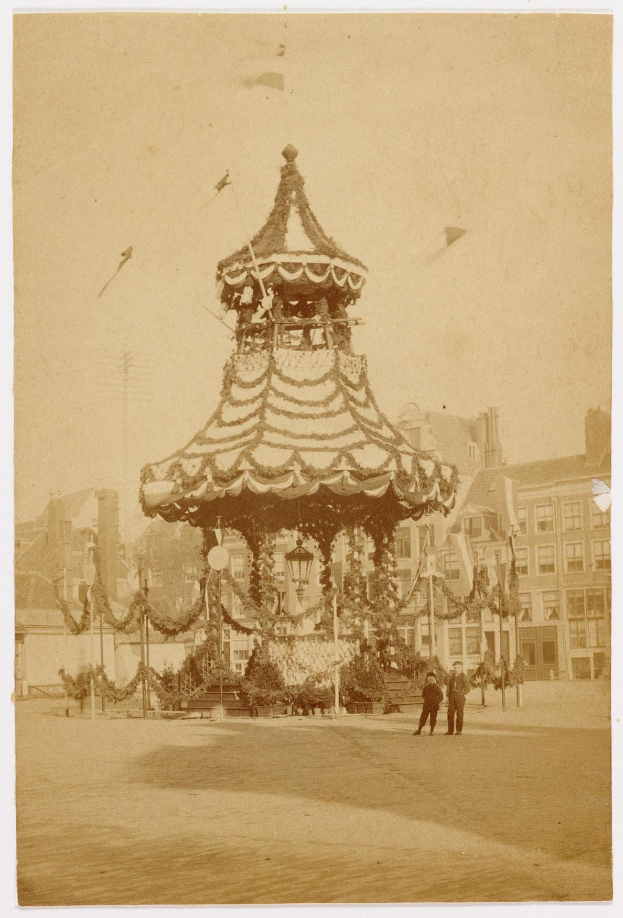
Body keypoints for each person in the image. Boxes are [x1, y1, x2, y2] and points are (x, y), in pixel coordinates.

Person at [446, 660, 471, 735]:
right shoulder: (452, 676)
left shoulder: (464, 676)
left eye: (457, 668)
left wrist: (462, 693)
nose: (455, 669)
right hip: (452, 696)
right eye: (454, 668)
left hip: (460, 697)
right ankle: (450, 730)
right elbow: (449, 686)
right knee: (450, 714)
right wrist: (448, 695)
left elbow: (468, 688)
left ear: (461, 668)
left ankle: (459, 730)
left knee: (459, 713)